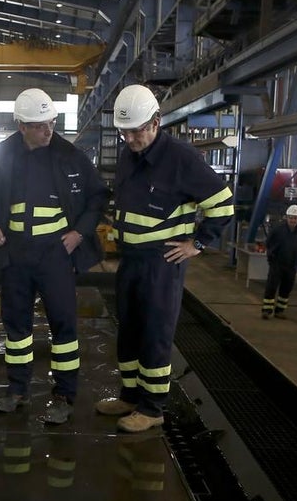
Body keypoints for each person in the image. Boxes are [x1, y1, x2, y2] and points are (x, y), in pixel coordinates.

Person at [95, 85, 234, 433]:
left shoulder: (182, 159)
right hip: (130, 259)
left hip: (162, 262)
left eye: (136, 130)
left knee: (155, 333)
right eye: (124, 132)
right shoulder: (129, 155)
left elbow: (224, 205)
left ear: (156, 122)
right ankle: (130, 395)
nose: (129, 138)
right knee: (128, 330)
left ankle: (153, 407)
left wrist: (197, 244)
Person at [0, 88, 107, 425]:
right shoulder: (3, 155)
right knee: (16, 326)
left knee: (63, 325)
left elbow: (97, 198)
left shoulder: (71, 156)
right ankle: (17, 390)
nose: (48, 130)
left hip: (55, 254)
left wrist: (79, 232)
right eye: (39, 125)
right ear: (21, 126)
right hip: (16, 252)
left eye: (51, 123)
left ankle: (64, 395)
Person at [262, 204, 297, 319]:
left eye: (295, 218)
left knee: (286, 288)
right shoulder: (278, 230)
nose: (293, 220)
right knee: (272, 286)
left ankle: (280, 311)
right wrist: (271, 257)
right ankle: (267, 310)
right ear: (287, 217)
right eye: (291, 217)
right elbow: (268, 243)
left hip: (291, 265)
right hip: (277, 263)